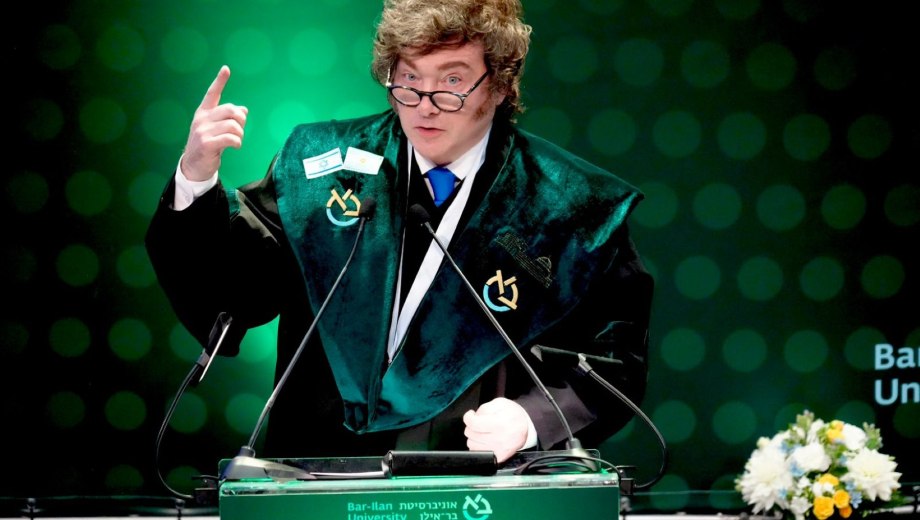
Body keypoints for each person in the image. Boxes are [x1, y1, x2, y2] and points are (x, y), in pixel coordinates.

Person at [146, 0, 653, 465]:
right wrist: (197, 175)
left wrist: (530, 419)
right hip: (316, 473)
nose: (424, 104)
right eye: (408, 77)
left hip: (478, 483)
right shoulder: (321, 168)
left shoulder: (569, 206)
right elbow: (237, 290)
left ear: (500, 85)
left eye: (452, 81)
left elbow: (614, 361)